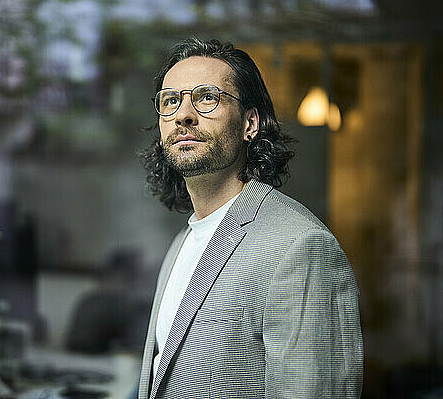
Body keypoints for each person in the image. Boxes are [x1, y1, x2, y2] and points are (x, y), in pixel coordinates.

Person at [137, 38, 363, 399]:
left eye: (207, 97)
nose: (183, 114)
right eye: (170, 101)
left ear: (250, 124)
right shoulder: (183, 242)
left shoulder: (300, 247)